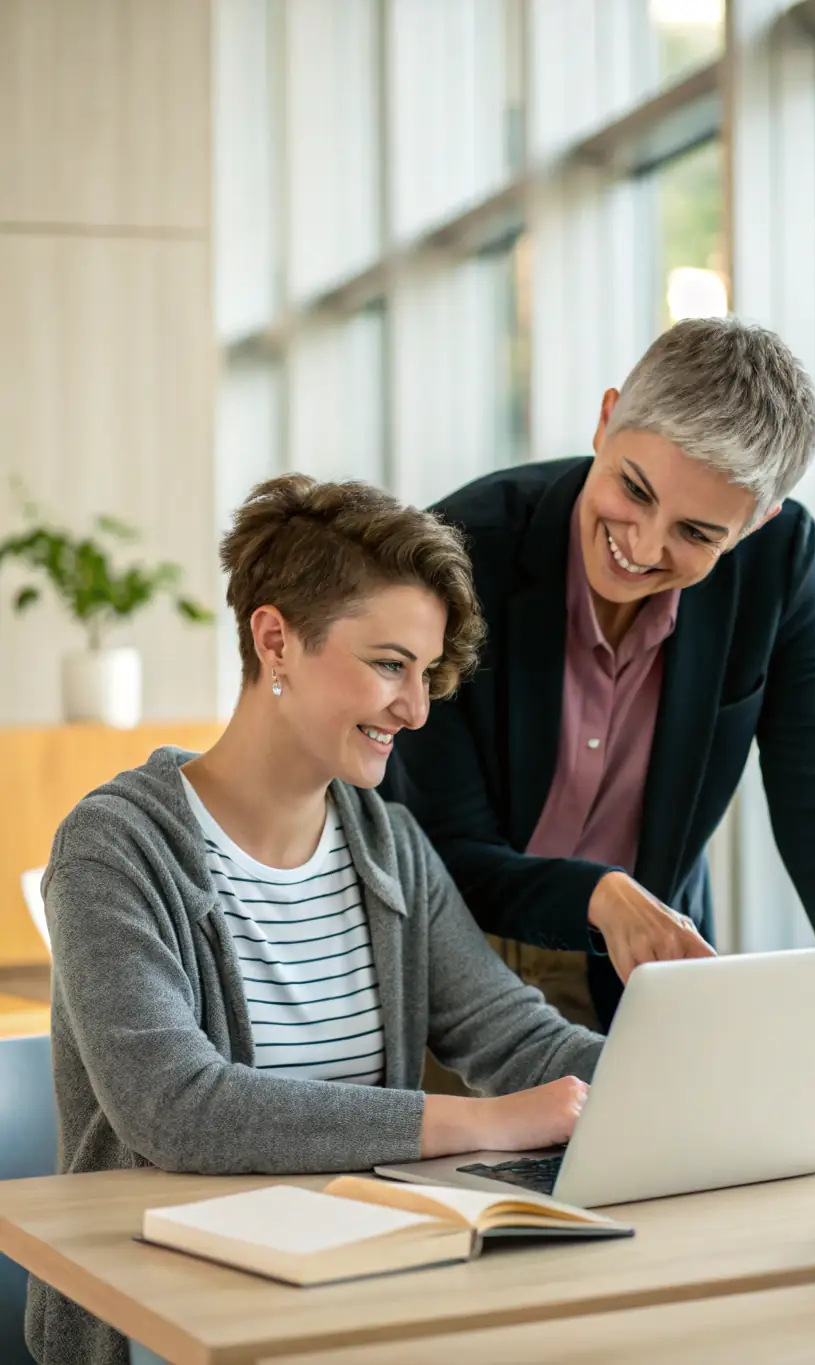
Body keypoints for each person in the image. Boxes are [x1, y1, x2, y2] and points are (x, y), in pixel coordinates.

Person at [385, 315, 815, 1118]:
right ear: (607, 417)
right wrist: (601, 894)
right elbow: (444, 847)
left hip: (639, 970)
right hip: (458, 957)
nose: (643, 546)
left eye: (696, 533)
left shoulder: (777, 565)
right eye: (634, 488)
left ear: (755, 521)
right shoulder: (460, 551)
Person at [27, 475, 601, 1365]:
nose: (415, 708)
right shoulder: (117, 847)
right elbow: (177, 1109)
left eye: (424, 672)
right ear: (276, 639)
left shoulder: (389, 844)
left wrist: (704, 1075)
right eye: (388, 665)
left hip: (350, 1290)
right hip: (162, 1314)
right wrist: (481, 1122)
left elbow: (515, 1036)